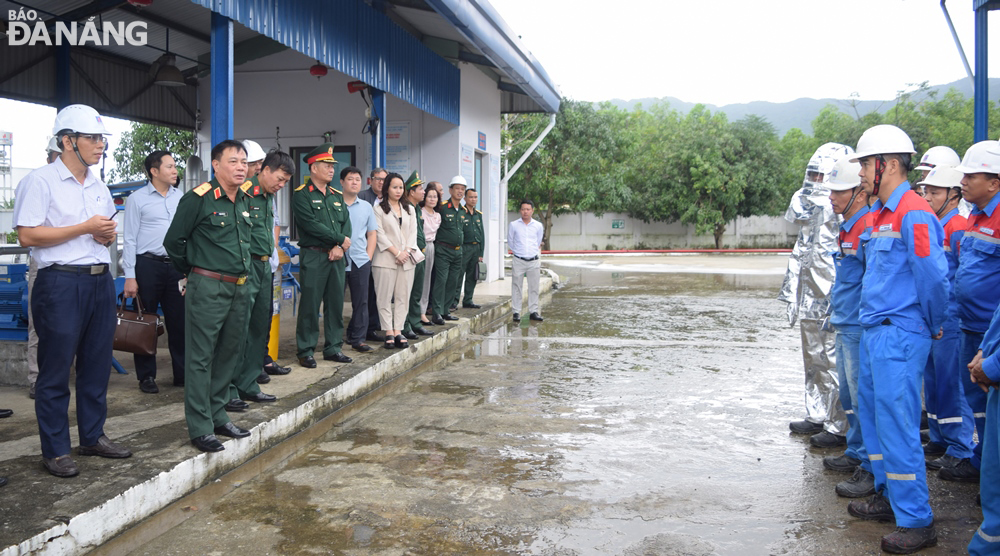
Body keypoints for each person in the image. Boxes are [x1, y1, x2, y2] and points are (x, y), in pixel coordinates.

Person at [845, 124, 948, 554]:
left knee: (899, 426)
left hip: (899, 335)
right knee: (876, 421)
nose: (863, 175)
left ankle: (916, 520)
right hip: (875, 333)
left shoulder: (913, 212)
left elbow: (934, 279)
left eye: (866, 166)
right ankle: (889, 494)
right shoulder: (882, 214)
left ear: (885, 164)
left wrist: (930, 324)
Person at [14, 104, 132, 477]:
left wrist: (100, 233)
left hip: (98, 281)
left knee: (96, 365)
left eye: (102, 139)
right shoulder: (41, 181)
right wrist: (83, 228)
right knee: (55, 368)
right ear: (68, 141)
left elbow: (95, 232)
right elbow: (28, 234)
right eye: (92, 138)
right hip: (60, 283)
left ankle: (93, 436)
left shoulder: (98, 185)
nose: (100, 146)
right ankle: (56, 449)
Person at [163, 139, 256, 453]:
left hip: (239, 286)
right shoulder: (198, 199)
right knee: (200, 358)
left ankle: (218, 414)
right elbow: (174, 241)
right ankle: (200, 425)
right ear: (216, 165)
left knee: (229, 354)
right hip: (208, 286)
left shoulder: (244, 199)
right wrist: (194, 271)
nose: (241, 167)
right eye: (233, 161)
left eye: (244, 161)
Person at [780, 142, 852, 448]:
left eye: (822, 176)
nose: (816, 183)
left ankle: (840, 426)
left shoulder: (844, 207)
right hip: (810, 292)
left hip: (834, 293)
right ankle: (817, 413)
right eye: (813, 175)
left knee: (834, 359)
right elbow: (800, 245)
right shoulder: (808, 205)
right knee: (812, 358)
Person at [943, 140, 1000, 484]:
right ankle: (982, 463)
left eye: (970, 176)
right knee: (976, 401)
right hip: (969, 326)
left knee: (992, 406)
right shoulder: (975, 217)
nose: (962, 182)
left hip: (991, 333)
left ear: (994, 182)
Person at [821, 157, 876, 500]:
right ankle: (856, 451)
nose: (832, 198)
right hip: (845, 321)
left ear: (857, 193)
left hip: (859, 324)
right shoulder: (849, 225)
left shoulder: (868, 226)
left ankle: (871, 464)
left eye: (838, 192)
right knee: (849, 397)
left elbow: (874, 280)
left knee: (862, 397)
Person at [917, 166, 976, 473]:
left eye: (935, 192)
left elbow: (966, 275)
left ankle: (961, 446)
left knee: (952, 383)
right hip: (935, 316)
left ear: (954, 195)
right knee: (934, 381)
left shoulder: (958, 226)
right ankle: (939, 438)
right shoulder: (936, 224)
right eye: (925, 191)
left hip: (952, 318)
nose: (927, 197)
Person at [227, 150, 294, 409]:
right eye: (279, 178)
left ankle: (249, 383)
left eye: (285, 182)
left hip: (265, 267)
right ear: (264, 170)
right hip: (245, 267)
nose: (281, 185)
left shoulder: (268, 197)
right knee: (238, 330)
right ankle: (230, 388)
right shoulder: (244, 192)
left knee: (258, 328)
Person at [122, 151, 186, 394]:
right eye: (169, 166)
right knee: (145, 322)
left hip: (176, 267)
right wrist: (130, 275)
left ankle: (182, 374)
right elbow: (129, 239)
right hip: (147, 265)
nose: (174, 170)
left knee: (179, 322)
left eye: (175, 166)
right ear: (154, 171)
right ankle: (146, 377)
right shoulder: (137, 199)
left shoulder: (181, 197)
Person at [292, 143, 353, 368]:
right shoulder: (302, 195)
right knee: (310, 304)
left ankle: (333, 347)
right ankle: (306, 350)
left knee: (336, 303)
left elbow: (347, 223)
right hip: (314, 255)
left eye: (332, 166)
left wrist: (341, 246)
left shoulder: (336, 195)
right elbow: (311, 225)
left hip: (337, 256)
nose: (332, 169)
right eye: (327, 165)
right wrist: (338, 239)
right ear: (313, 168)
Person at [25, 137, 62, 400]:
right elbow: (29, 232)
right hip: (45, 263)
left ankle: (57, 379)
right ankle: (37, 381)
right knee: (40, 325)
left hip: (74, 265)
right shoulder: (36, 181)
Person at [372, 172, 419, 348]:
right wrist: (396, 252)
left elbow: (413, 233)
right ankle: (388, 332)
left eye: (401, 187)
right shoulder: (378, 209)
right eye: (394, 187)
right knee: (383, 296)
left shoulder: (410, 209)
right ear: (387, 188)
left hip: (406, 259)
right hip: (385, 258)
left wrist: (405, 251)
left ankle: (398, 330)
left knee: (403, 296)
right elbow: (379, 233)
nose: (398, 191)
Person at [341, 165, 378, 353]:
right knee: (335, 302)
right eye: (350, 179)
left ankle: (358, 339)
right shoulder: (334, 203)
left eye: (357, 179)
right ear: (341, 182)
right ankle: (335, 340)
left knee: (361, 302)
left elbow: (372, 233)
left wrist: (368, 257)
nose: (354, 182)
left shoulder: (366, 207)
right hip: (337, 261)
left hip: (360, 261)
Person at [431, 176, 468, 324]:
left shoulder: (463, 210)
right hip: (443, 249)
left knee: (453, 281)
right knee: (441, 280)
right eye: (457, 188)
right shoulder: (442, 207)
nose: (460, 191)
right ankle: (437, 312)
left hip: (458, 251)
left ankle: (446, 310)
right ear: (450, 190)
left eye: (462, 189)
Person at [402, 172, 433, 338]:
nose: (424, 192)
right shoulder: (406, 208)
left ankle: (415, 322)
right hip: (410, 255)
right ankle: (405, 326)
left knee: (416, 293)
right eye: (420, 189)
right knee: (407, 293)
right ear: (411, 192)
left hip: (419, 255)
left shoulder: (416, 209)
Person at [359, 168, 387, 343]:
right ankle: (360, 329)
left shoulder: (388, 199)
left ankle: (373, 326)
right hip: (364, 250)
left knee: (378, 290)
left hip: (383, 251)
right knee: (364, 292)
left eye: (385, 180)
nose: (381, 183)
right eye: (378, 179)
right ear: (370, 180)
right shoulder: (362, 197)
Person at [507, 199, 544, 323]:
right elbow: (511, 242)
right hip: (519, 260)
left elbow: (538, 242)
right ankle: (516, 312)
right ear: (520, 211)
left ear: (532, 211)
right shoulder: (514, 225)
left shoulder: (538, 226)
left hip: (533, 261)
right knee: (517, 286)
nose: (525, 212)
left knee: (534, 287)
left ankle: (533, 311)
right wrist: (519, 253)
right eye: (523, 209)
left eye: (528, 209)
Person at [418, 183, 442, 325]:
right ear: (424, 198)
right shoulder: (420, 212)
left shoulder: (438, 216)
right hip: (420, 246)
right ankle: (416, 311)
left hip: (431, 247)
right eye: (429, 196)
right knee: (419, 280)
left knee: (427, 280)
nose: (432, 199)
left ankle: (423, 310)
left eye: (435, 197)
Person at [459, 187, 485, 309]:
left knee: (472, 276)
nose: (473, 199)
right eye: (471, 197)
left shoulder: (478, 215)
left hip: (475, 249)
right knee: (459, 275)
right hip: (464, 248)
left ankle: (468, 300)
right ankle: (454, 301)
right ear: (465, 198)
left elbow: (482, 234)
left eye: (475, 197)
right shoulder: (461, 213)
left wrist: (481, 253)